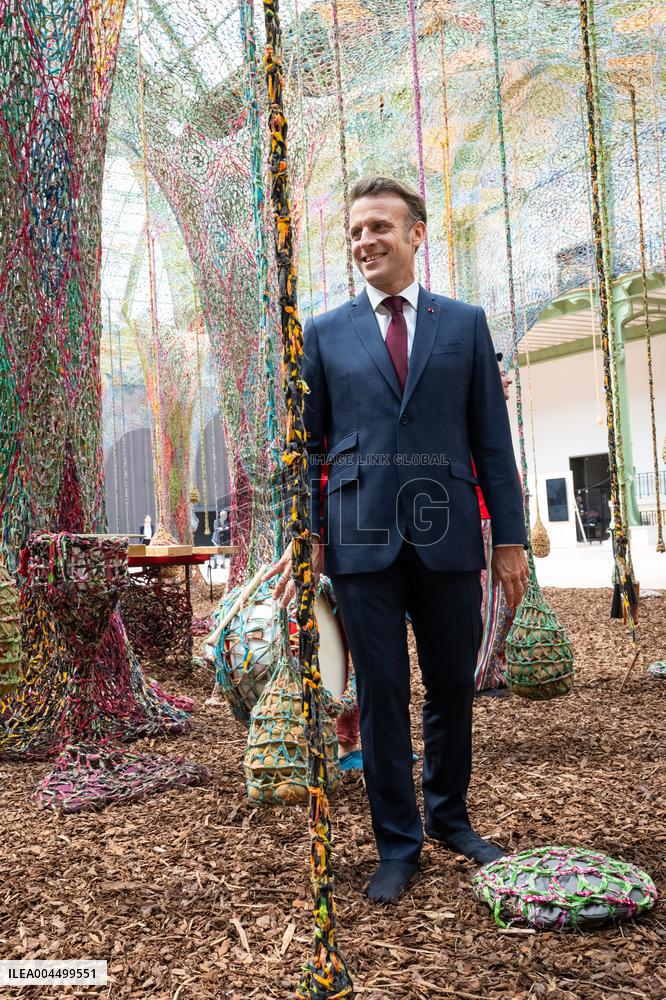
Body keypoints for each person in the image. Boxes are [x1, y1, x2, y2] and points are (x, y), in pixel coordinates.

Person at [266, 175, 528, 903]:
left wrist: (510, 538)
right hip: (359, 539)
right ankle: (397, 843)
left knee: (452, 683)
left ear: (416, 233)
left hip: (448, 535)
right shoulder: (321, 333)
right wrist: (308, 535)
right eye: (354, 232)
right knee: (382, 692)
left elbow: (492, 442)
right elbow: (306, 445)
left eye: (379, 227)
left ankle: (449, 818)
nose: (364, 242)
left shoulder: (466, 324)